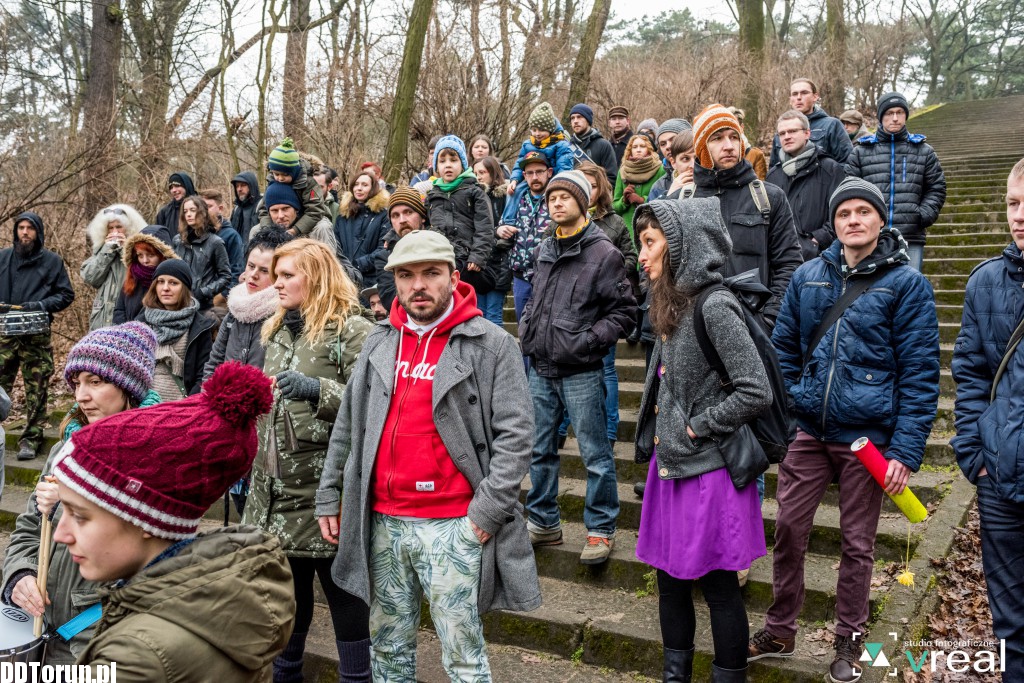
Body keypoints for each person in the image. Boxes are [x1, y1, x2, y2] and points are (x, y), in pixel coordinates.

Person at [316, 230, 541, 681]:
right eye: (406, 275)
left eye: (430, 274)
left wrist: (485, 516)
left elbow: (516, 435)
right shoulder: (380, 341)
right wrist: (328, 493)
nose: (418, 285)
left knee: (462, 657)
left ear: (453, 278)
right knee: (388, 651)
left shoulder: (492, 344)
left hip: (454, 525)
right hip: (383, 522)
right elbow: (349, 423)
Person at [749, 178, 940, 683]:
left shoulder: (908, 284)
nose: (853, 220)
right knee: (789, 530)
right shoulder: (809, 276)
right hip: (808, 429)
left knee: (858, 544)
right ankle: (780, 628)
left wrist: (904, 449)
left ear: (881, 220)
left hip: (868, 438)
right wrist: (789, 414)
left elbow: (921, 374)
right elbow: (783, 350)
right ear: (833, 223)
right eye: (844, 213)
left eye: (863, 212)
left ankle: (849, 643)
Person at [47, 361, 295, 681]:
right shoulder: (217, 599)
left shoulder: (134, 659)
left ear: (147, 520)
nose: (61, 534)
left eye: (80, 515)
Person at [634, 198, 772, 683]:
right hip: (670, 466)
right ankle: (677, 677)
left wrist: (699, 426)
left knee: (717, 587)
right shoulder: (672, 304)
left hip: (709, 471)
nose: (642, 255)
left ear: (682, 245)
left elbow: (756, 388)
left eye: (650, 243)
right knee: (670, 585)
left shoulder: (715, 305)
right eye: (641, 244)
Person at [242, 238, 374, 682]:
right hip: (274, 491)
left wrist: (318, 390)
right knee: (288, 600)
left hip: (325, 491)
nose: (275, 284)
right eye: (275, 275)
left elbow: (374, 401)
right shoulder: (276, 328)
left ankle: (357, 678)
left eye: (286, 276)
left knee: (344, 599)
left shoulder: (353, 330)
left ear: (315, 277)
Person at [1, 322, 160, 664]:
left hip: (96, 646)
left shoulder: (154, 457)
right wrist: (20, 574)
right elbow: (29, 529)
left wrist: (78, 499)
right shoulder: (65, 449)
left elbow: (152, 565)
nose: (80, 396)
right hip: (41, 634)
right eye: (77, 383)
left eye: (96, 382)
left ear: (126, 387)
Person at [520, 170, 637, 563]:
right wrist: (527, 327)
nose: (556, 202)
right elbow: (536, 298)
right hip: (540, 366)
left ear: (584, 202)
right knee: (539, 449)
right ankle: (543, 521)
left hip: (581, 370)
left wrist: (589, 341)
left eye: (565, 197)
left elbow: (625, 312)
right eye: (551, 197)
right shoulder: (544, 248)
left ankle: (601, 530)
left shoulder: (604, 253)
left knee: (595, 453)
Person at [951, 157, 1024, 681]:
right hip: (1001, 479)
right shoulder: (985, 281)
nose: (1019, 216)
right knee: (1011, 628)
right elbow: (972, 374)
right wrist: (976, 457)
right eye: (1013, 204)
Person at [691, 104, 802, 326]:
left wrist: (769, 318)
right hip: (694, 328)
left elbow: (789, 263)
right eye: (717, 138)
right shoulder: (681, 200)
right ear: (702, 147)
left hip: (753, 325)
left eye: (734, 136)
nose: (729, 145)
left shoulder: (770, 197)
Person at [0, 212, 75, 460]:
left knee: (37, 387)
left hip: (36, 335)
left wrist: (41, 305)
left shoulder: (52, 262)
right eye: (20, 228)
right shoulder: (3, 258)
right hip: (5, 334)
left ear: (38, 232)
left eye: (29, 228)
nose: (24, 232)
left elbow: (65, 294)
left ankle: (30, 439)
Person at [845, 92, 947, 272]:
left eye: (900, 112)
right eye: (889, 113)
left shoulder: (924, 151)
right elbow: (850, 191)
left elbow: (936, 188)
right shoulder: (860, 152)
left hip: (911, 235)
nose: (895, 118)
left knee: (909, 291)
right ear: (880, 117)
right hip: (870, 236)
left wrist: (922, 215)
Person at [766, 109, 846, 261]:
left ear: (807, 134)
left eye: (792, 131)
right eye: (782, 133)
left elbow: (841, 212)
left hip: (821, 258)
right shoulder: (773, 175)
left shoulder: (830, 169)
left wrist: (815, 241)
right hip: (779, 259)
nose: (787, 137)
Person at [425, 135, 495, 297]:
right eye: (442, 161)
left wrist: (477, 257)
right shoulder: (432, 196)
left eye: (453, 160)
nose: (448, 165)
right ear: (436, 165)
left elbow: (485, 228)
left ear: (463, 164)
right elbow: (423, 225)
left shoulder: (475, 192)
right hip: (440, 259)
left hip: (467, 262)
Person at [139, 260, 214, 400]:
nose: (165, 288)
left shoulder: (199, 326)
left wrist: (187, 407)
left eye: (173, 283)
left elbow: (203, 375)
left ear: (184, 288)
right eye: (160, 281)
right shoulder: (141, 323)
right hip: (143, 407)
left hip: (180, 409)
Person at [499, 152, 553, 344]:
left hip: (548, 276)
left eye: (539, 171)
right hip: (520, 276)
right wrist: (500, 230)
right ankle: (525, 373)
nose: (535, 177)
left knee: (546, 329)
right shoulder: (516, 198)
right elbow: (501, 224)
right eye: (529, 173)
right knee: (524, 331)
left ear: (549, 172)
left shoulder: (556, 198)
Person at [81, 204, 146, 330]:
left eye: (119, 227)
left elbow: (140, 273)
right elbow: (91, 278)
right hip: (102, 318)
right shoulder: (101, 250)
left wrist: (124, 249)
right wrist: (107, 251)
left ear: (128, 228)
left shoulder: (140, 252)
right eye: (110, 228)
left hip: (128, 316)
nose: (114, 231)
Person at [254, 137, 330, 238]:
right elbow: (263, 210)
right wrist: (268, 230)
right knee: (256, 230)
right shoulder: (272, 181)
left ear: (294, 171)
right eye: (276, 174)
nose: (280, 178)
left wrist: (295, 230)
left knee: (323, 227)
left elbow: (315, 210)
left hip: (311, 219)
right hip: (283, 220)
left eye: (285, 174)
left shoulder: (308, 183)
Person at [769, 78, 853, 166]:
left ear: (815, 97)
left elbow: (847, 163)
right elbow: (774, 168)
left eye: (804, 93)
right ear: (790, 100)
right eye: (794, 94)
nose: (799, 97)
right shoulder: (783, 129)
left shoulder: (832, 125)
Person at [171, 195, 232, 311]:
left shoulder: (215, 242)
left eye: (193, 210)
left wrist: (203, 292)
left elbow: (225, 276)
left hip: (202, 306)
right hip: (177, 302)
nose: (188, 214)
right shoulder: (177, 241)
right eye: (185, 211)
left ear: (203, 212)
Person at [334, 170, 391, 287]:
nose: (359, 188)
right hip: (344, 279)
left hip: (372, 279)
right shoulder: (343, 216)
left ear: (373, 188)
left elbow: (384, 248)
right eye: (356, 184)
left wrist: (358, 264)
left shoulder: (383, 215)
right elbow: (336, 245)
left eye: (364, 185)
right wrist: (345, 267)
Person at [376, 187, 429, 311]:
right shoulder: (385, 258)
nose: (402, 220)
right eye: (395, 215)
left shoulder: (442, 247)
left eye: (408, 212)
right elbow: (390, 301)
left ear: (423, 217)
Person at [475, 155, 513, 326]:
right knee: (479, 313)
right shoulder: (474, 195)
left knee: (493, 314)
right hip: (479, 261)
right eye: (475, 172)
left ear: (492, 172)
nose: (478, 176)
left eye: (482, 172)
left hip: (499, 261)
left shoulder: (505, 196)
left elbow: (509, 222)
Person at [507, 102, 575, 197]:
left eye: (542, 130)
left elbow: (564, 168)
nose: (537, 134)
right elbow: (519, 164)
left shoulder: (561, 145)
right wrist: (514, 180)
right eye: (534, 130)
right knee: (515, 192)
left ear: (550, 130)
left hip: (554, 182)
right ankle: (509, 212)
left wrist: (559, 185)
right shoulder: (527, 144)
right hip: (532, 182)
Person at [113, 226, 177, 325]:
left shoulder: (171, 282)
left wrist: (131, 331)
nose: (145, 261)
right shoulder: (133, 276)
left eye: (151, 255)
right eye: (140, 255)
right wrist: (120, 331)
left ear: (162, 255)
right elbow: (119, 310)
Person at [613, 134, 666, 242]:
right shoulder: (623, 171)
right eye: (635, 147)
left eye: (642, 146)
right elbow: (615, 207)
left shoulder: (660, 169)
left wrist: (643, 200)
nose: (638, 150)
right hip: (628, 232)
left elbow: (665, 199)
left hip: (653, 226)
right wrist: (624, 201)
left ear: (649, 149)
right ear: (629, 150)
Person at [199, 189, 245, 292]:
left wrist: (222, 296)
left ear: (220, 209)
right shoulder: (194, 234)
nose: (203, 211)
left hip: (217, 297)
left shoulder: (231, 236)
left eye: (208, 206)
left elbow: (236, 271)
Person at [568, 103, 619, 184]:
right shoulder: (566, 146)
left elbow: (612, 178)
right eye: (572, 118)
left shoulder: (604, 145)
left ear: (588, 120)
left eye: (579, 117)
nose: (575, 121)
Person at [648, 119, 690, 200]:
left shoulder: (710, 176)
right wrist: (670, 195)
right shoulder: (659, 187)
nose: (668, 146)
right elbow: (650, 212)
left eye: (673, 140)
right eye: (663, 144)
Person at [727, 107, 768, 180]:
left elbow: (761, 187)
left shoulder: (756, 155)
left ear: (742, 127)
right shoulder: (717, 154)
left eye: (734, 125)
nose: (730, 129)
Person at [231, 170, 263, 245]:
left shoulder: (261, 205)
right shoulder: (236, 209)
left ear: (252, 186)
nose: (239, 189)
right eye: (237, 186)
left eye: (243, 185)